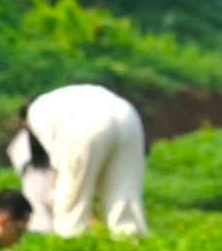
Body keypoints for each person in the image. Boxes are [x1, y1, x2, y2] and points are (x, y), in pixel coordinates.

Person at [20, 84, 148, 238]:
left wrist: (55, 193)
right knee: (125, 196)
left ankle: (73, 246)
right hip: (128, 116)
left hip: (88, 124)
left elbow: (60, 160)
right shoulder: (60, 98)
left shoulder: (35, 113)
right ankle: (129, 242)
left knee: (70, 209)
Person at [6, 128, 56, 234]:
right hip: (53, 177)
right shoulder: (59, 131)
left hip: (33, 179)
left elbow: (15, 155)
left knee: (40, 219)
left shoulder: (23, 136)